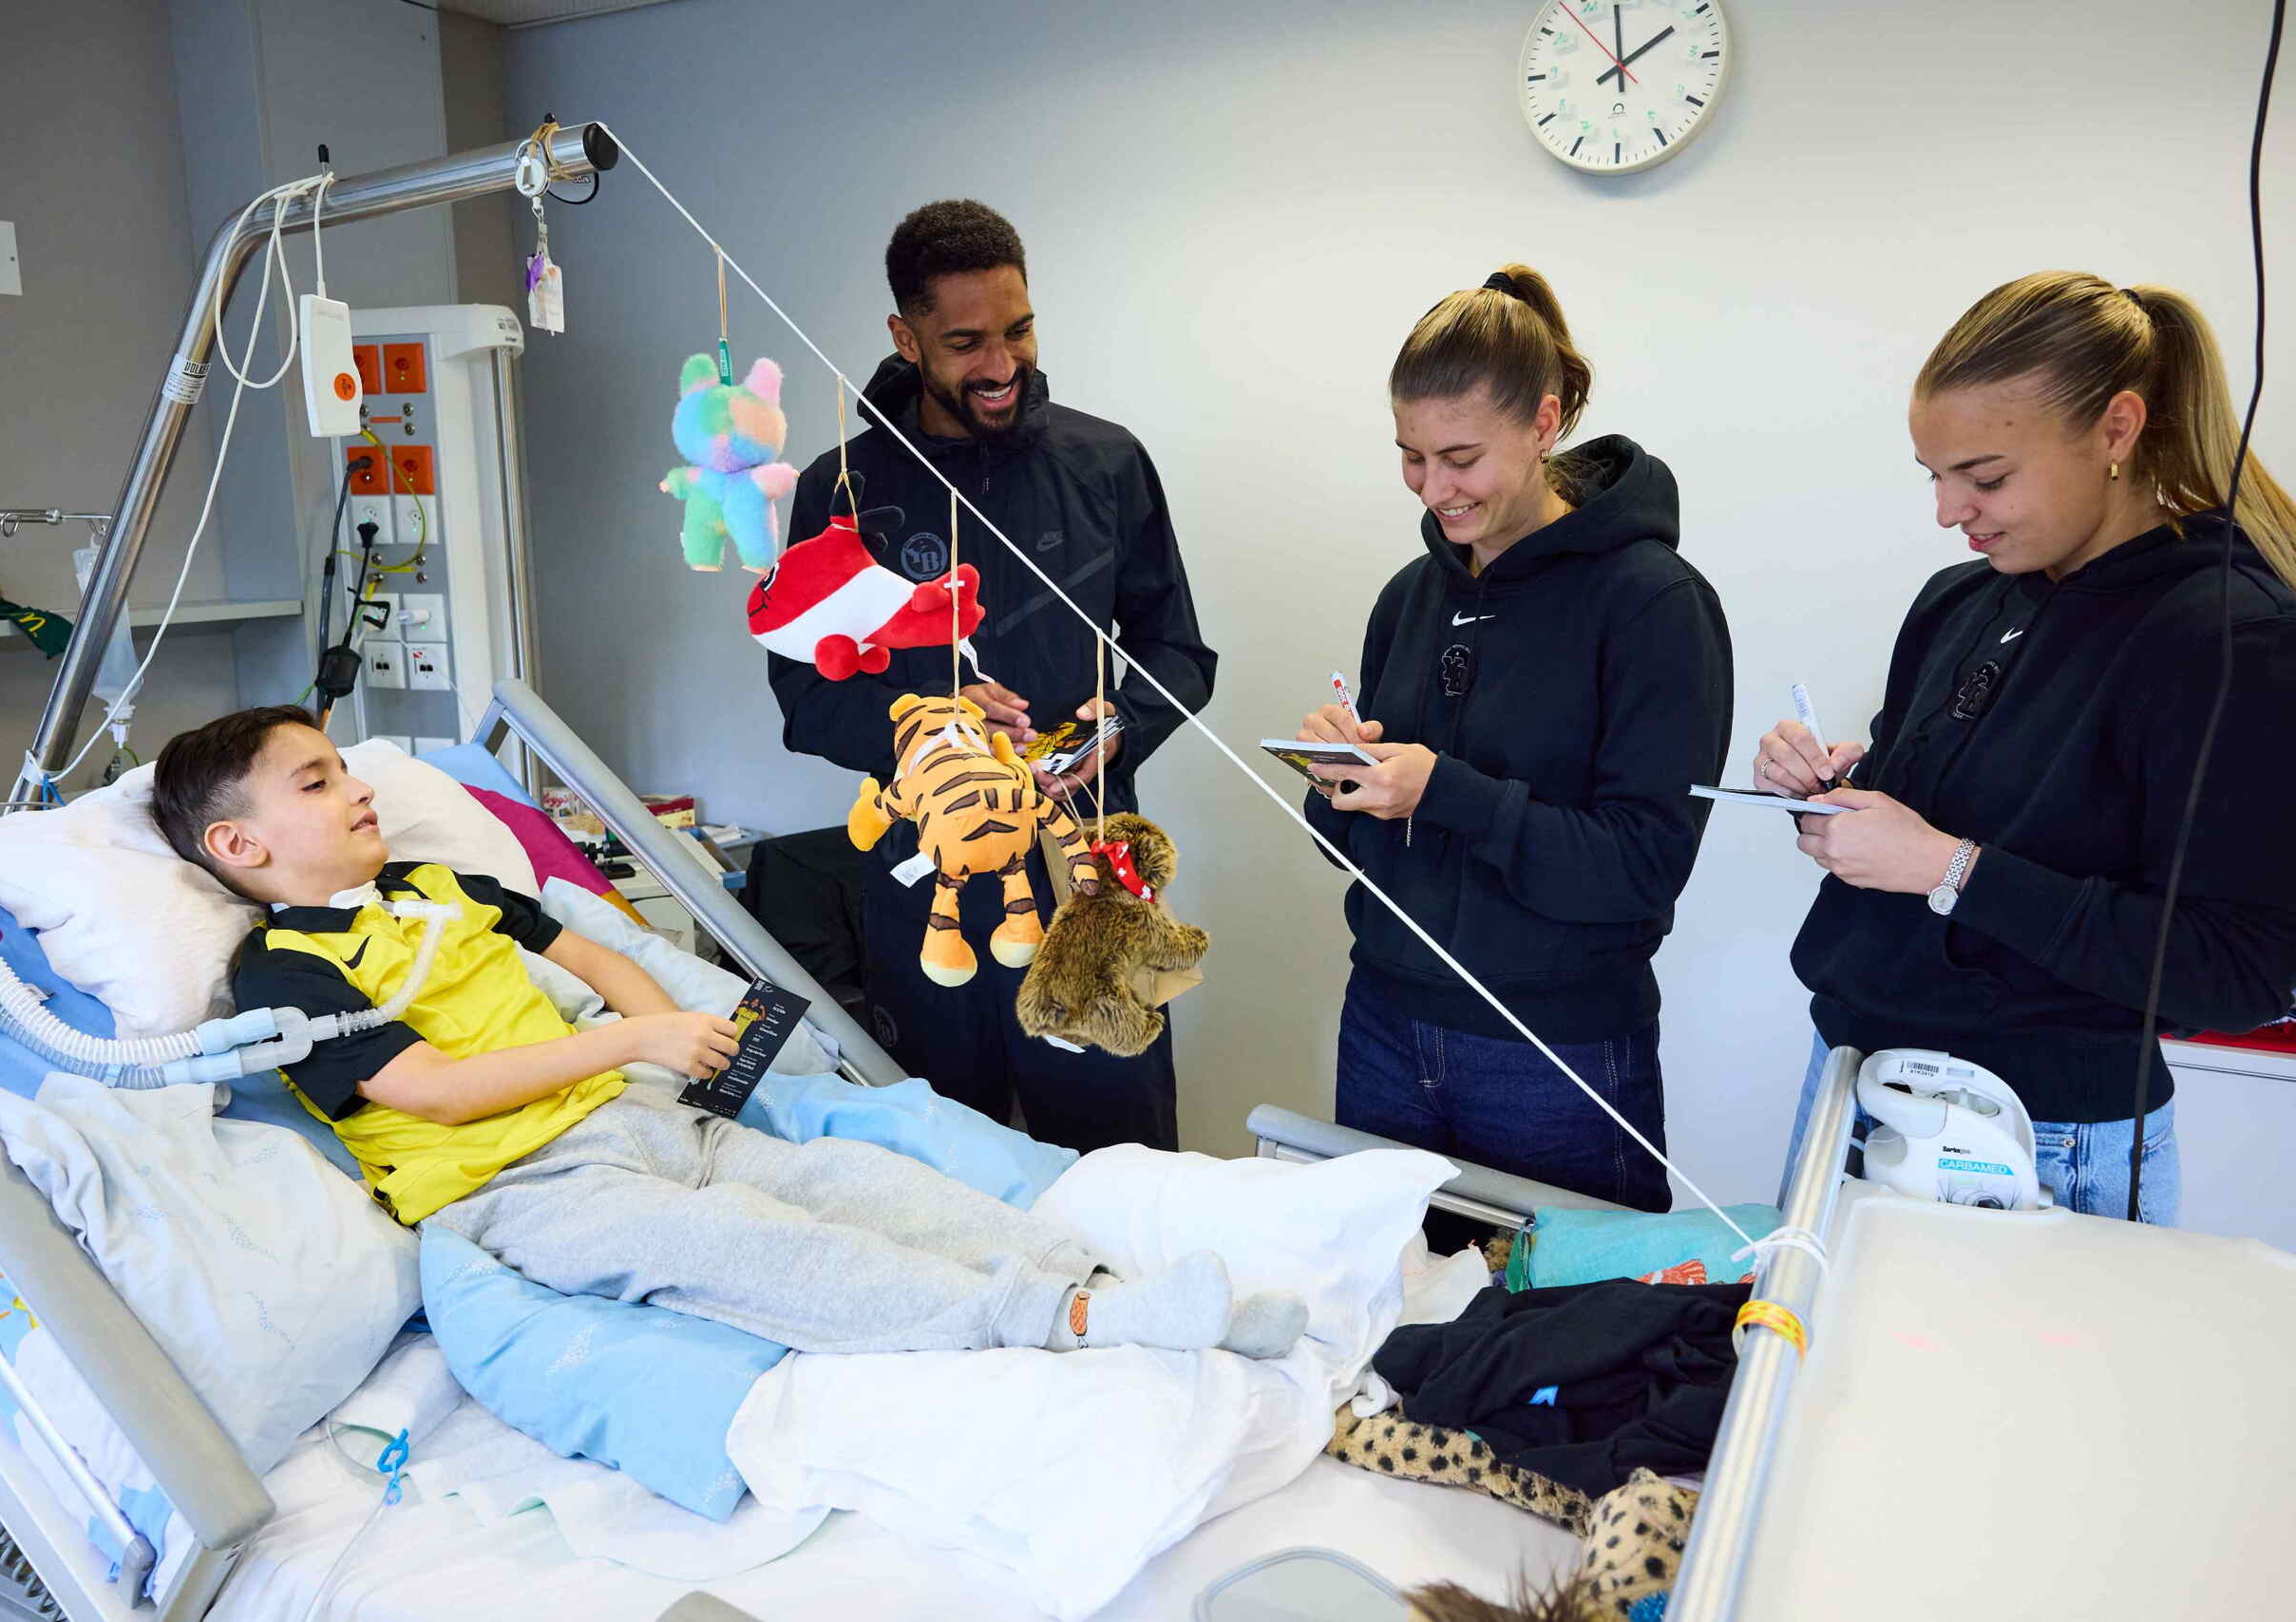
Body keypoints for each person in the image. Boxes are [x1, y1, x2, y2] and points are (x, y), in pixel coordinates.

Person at [149, 707, 1304, 1357]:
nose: (357, 788)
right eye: (316, 783)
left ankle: (1114, 1283)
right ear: (239, 847)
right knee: (778, 1252)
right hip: (525, 1185)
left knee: (871, 1185)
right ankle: (1082, 1323)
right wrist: (627, 1045)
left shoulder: (436, 884)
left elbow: (592, 955)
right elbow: (435, 1090)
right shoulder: (281, 972)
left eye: (346, 768)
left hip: (645, 1120)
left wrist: (674, 1039)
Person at [1761, 271, 2296, 1224]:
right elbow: (1942, 830)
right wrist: (1832, 798)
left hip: (2034, 1132)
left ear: (2116, 430)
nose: (1948, 511)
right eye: (1933, 476)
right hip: (1853, 1080)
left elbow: (2238, 971)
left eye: (1986, 478)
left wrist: (1950, 869)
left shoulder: (2225, 635)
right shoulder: (1959, 602)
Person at [768, 199, 1216, 1154]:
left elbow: (1180, 652)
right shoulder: (842, 493)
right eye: (966, 342)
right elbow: (806, 701)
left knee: (1122, 1162)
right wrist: (926, 721)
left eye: (1018, 330)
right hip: (925, 880)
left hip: (1088, 866)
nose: (1002, 364)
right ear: (906, 338)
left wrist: (1119, 722)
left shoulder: (1106, 462)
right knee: (946, 1168)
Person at [1298, 267, 1733, 1211]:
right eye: (1411, 457)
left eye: (1461, 457)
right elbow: (1350, 847)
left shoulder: (1654, 603)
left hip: (1553, 1056)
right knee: (1384, 1298)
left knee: (1566, 1306)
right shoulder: (1409, 598)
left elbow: (1644, 866)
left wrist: (1442, 790)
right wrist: (1336, 779)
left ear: (1543, 423)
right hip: (1383, 1026)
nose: (1433, 489)